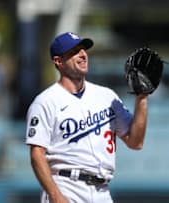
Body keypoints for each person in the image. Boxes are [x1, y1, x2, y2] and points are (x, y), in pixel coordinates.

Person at [25, 32, 148, 203]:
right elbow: (37, 154)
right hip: (67, 185)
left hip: (102, 190)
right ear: (58, 61)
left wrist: (142, 98)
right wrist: (55, 195)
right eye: (74, 51)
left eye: (83, 49)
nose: (83, 54)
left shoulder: (106, 96)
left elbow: (135, 142)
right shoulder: (45, 102)